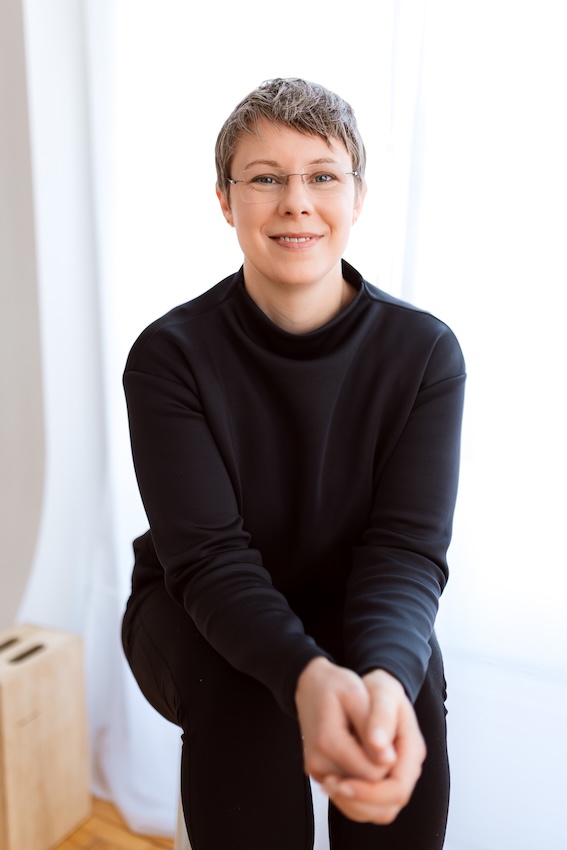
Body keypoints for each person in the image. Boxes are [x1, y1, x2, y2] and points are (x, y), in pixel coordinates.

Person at [121, 77, 465, 850]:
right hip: (193, 606)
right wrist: (305, 676)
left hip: (352, 599)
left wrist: (382, 677)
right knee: (246, 690)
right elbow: (208, 560)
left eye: (322, 176)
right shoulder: (169, 357)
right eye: (265, 178)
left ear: (357, 196)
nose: (296, 203)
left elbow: (405, 551)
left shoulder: (423, 352)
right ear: (225, 200)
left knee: (403, 693)